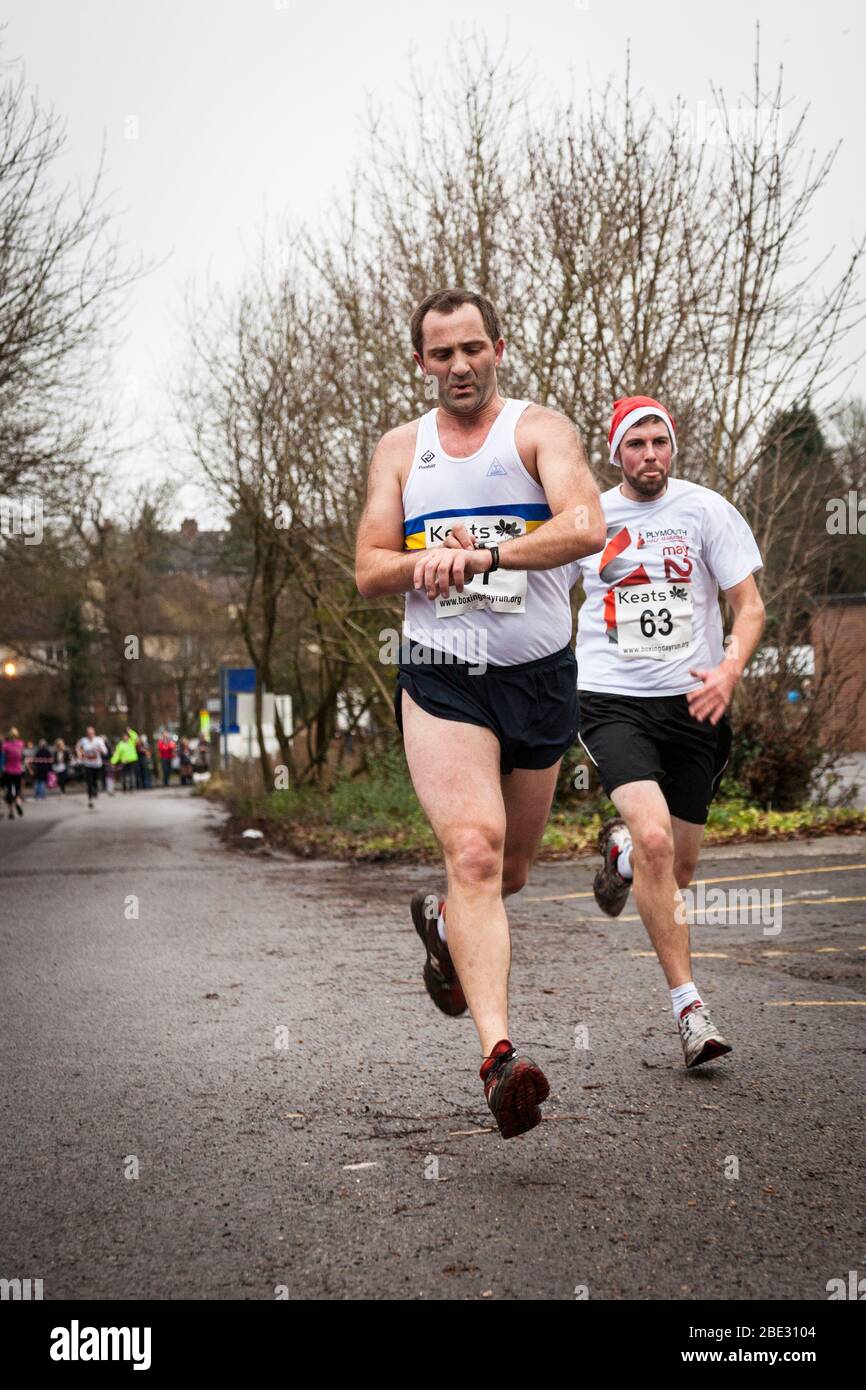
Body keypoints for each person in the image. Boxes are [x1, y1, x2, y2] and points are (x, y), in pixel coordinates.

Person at [355, 287, 605, 1138]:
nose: (458, 367)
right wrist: (424, 563)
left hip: (537, 675)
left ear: (498, 347)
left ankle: (442, 925)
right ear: (420, 362)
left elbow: (586, 525)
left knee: (513, 874)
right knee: (473, 848)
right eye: (440, 354)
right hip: (443, 673)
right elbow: (367, 567)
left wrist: (490, 553)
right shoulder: (400, 449)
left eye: (471, 349)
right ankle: (502, 1060)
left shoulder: (540, 431)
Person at [572, 396, 766, 1067]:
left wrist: (728, 670)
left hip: (695, 706)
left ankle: (622, 860)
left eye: (659, 442)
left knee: (676, 866)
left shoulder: (705, 509)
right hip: (612, 699)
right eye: (636, 444)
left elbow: (749, 605)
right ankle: (690, 1011)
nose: (650, 455)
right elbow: (533, 587)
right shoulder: (589, 517)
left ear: (671, 446)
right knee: (656, 838)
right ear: (616, 452)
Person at [76, 726, 109, 808]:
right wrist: (79, 753)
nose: (90, 735)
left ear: (94, 733)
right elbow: (77, 747)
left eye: (91, 733)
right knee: (89, 782)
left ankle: (95, 790)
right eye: (88, 733)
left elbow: (105, 751)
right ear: (86, 734)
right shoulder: (83, 740)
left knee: (94, 781)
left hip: (97, 764)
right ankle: (90, 800)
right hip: (87, 764)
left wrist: (100, 750)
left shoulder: (98, 740)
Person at [2, 726, 26, 819]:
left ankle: (11, 812)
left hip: (8, 771)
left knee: (8, 791)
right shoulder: (21, 744)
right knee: (17, 790)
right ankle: (17, 801)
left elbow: (3, 759)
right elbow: (22, 757)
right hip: (18, 770)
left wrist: (2, 768)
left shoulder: (6, 746)